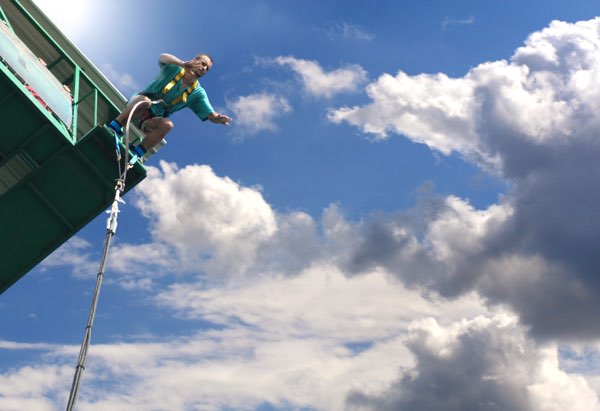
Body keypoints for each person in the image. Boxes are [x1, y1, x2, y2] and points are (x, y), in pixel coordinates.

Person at [107, 53, 232, 158]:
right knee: (146, 102)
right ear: (194, 60)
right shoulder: (175, 68)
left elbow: (210, 114)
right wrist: (182, 63)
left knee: (168, 125)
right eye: (203, 64)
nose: (204, 68)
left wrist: (218, 118)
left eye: (207, 68)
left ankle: (136, 154)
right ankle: (115, 126)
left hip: (150, 120)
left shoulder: (198, 93)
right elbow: (162, 57)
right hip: (137, 105)